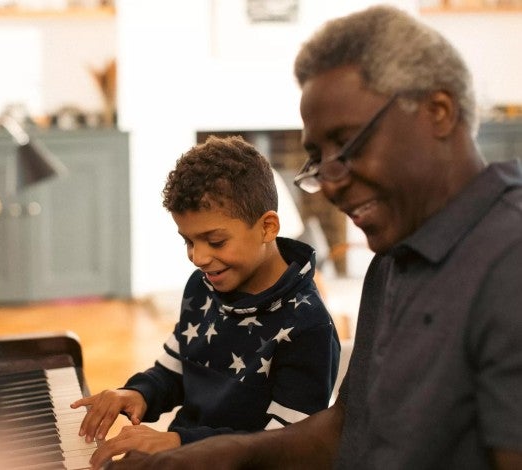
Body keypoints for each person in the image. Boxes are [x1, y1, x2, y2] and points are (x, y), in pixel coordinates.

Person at [105, 5, 522, 469]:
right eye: (318, 157)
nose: (330, 180)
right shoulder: (393, 259)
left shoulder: (510, 261)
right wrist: (200, 455)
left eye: (345, 144)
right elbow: (344, 429)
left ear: (437, 112)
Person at [71, 135, 341, 469]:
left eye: (215, 241)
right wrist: (137, 393)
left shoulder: (307, 327)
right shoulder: (202, 288)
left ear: (267, 227)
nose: (198, 257)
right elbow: (174, 370)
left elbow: (284, 448)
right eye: (188, 241)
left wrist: (177, 442)